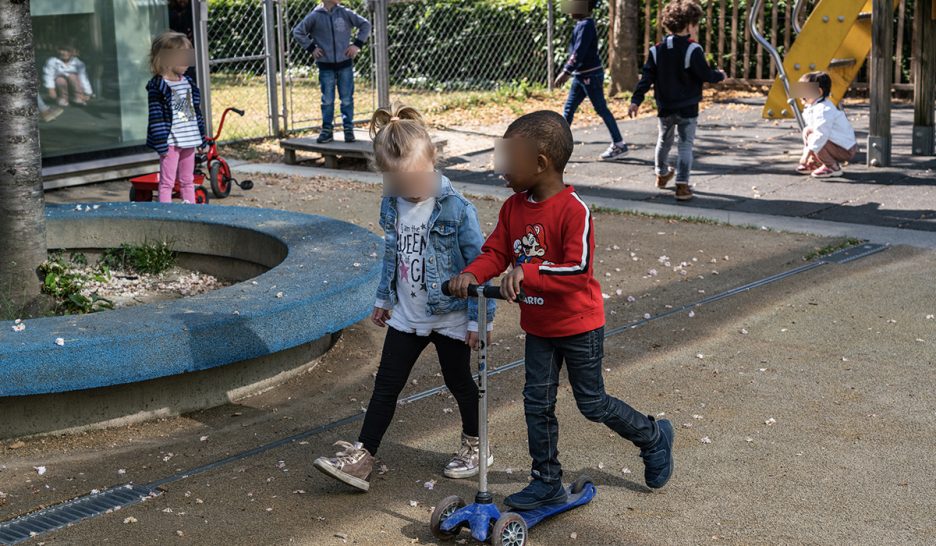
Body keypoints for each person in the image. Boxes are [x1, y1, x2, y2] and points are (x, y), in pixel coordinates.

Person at [449, 111, 674, 510]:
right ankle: (546, 480)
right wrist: (470, 274)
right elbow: (495, 252)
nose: (500, 168)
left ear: (540, 163)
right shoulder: (513, 208)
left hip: (578, 325)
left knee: (592, 403)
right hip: (539, 326)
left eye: (508, 159)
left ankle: (653, 435)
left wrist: (528, 271)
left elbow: (576, 270)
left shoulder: (574, 211)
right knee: (537, 403)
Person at [312, 104, 496, 492]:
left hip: (449, 317)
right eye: (398, 182)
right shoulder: (393, 204)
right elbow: (393, 255)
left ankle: (476, 446)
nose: (409, 188)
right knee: (386, 386)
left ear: (433, 161)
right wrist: (384, 298)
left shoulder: (457, 210)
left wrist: (481, 320)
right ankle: (364, 456)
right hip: (407, 317)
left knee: (460, 382)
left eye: (415, 178)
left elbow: (481, 265)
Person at [629, 0, 726, 201]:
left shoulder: (657, 50)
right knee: (685, 144)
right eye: (696, 24)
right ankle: (682, 185)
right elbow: (705, 74)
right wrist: (720, 75)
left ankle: (661, 172)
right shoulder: (693, 49)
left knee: (663, 140)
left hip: (665, 106)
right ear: (690, 24)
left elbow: (646, 77)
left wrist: (636, 100)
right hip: (688, 107)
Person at [556, 0, 629, 161]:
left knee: (601, 108)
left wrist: (566, 71)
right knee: (568, 109)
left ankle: (619, 144)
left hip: (590, 76)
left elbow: (579, 52)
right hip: (581, 75)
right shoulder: (581, 24)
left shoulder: (586, 25)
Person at [292, 0, 371, 144]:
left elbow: (365, 25)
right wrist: (312, 48)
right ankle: (327, 131)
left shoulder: (345, 13)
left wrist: (356, 45)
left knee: (347, 98)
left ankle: (348, 130)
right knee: (327, 100)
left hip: (345, 65)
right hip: (325, 66)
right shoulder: (314, 16)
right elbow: (298, 32)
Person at [145, 31, 208, 204]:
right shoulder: (158, 87)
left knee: (188, 181)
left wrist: (202, 140)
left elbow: (195, 114)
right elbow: (156, 117)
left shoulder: (188, 82)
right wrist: (160, 143)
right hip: (171, 143)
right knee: (167, 183)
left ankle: (191, 213)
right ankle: (167, 215)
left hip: (189, 140)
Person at [795, 71, 857, 178]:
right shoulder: (814, 107)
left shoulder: (823, 110)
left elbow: (821, 135)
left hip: (844, 149)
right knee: (808, 131)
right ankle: (817, 162)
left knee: (814, 137)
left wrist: (807, 153)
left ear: (818, 92)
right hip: (837, 145)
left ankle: (832, 167)